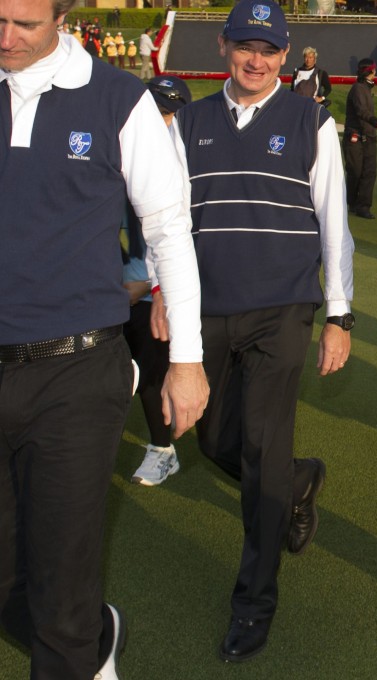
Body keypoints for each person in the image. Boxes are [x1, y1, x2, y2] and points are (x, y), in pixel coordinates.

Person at [0, 0, 209, 676]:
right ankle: (93, 639)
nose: (6, 38)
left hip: (77, 371)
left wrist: (186, 363)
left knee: (61, 585)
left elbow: (169, 231)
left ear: (61, 17)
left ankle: (78, 644)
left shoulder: (121, 99)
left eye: (23, 24)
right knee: (10, 589)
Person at [172, 0, 351, 661]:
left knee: (261, 444)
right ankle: (297, 479)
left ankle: (253, 603)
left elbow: (334, 222)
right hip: (207, 306)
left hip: (282, 308)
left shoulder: (310, 119)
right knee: (211, 436)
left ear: (285, 56)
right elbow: (166, 218)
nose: (256, 58)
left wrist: (339, 314)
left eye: (268, 49)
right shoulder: (188, 121)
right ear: (223, 47)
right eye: (245, 45)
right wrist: (166, 294)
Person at [124, 75, 194, 488]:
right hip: (109, 285)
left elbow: (173, 234)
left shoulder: (178, 157)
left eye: (167, 113)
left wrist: (154, 287)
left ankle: (161, 450)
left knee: (152, 374)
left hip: (153, 290)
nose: (158, 119)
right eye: (153, 109)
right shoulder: (118, 141)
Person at [344, 58, 377, 219]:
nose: (375, 72)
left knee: (369, 172)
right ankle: (352, 202)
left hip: (369, 136)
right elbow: (361, 111)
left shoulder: (366, 88)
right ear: (369, 71)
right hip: (355, 136)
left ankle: (363, 206)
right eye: (374, 70)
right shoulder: (358, 89)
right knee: (355, 171)